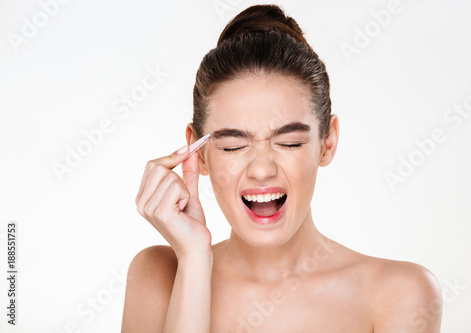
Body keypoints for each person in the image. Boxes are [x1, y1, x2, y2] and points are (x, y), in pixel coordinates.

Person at [121, 4, 442, 332]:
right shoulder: (159, 276)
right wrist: (194, 259)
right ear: (197, 153)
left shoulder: (399, 292)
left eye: (289, 142)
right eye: (233, 145)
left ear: (327, 143)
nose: (261, 170)